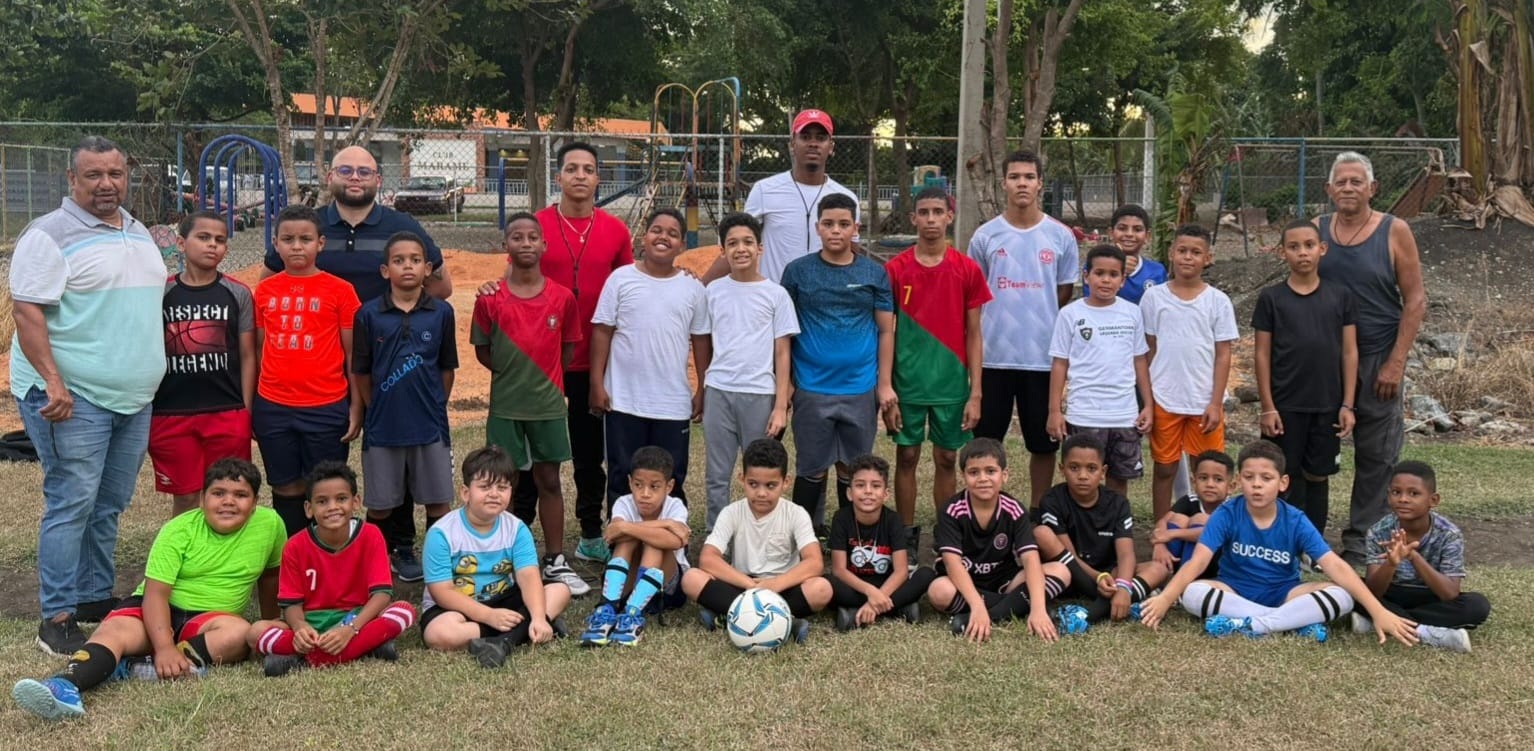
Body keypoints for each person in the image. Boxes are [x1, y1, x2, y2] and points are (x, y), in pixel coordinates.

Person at [264, 144, 454, 580]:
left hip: (390, 361)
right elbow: (271, 287)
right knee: (349, 459)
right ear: (329, 175)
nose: (355, 178)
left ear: (377, 180)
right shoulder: (309, 226)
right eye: (345, 170)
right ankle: (316, 550)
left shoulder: (402, 226)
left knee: (401, 446)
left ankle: (401, 547)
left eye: (364, 171)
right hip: (323, 367)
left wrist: (392, 316)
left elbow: (438, 285)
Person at [10, 136, 167, 654]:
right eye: (94, 175)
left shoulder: (137, 229)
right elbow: (28, 311)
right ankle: (56, 617)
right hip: (73, 398)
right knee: (71, 501)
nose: (107, 185)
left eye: (116, 174)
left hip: (132, 398)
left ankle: (94, 597)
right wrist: (53, 381)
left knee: (109, 504)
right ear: (71, 180)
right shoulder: (48, 235)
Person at [10, 458, 284, 721]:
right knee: (113, 632)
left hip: (208, 619)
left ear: (256, 502)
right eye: (218, 493)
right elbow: (156, 594)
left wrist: (270, 622)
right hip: (155, 608)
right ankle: (64, 686)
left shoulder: (270, 524)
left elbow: (271, 577)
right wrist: (164, 647)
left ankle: (132, 667)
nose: (228, 502)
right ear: (203, 499)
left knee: (239, 634)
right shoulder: (178, 530)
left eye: (240, 495)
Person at [475, 142, 632, 565]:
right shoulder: (538, 226)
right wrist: (492, 285)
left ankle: (591, 531)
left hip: (593, 359)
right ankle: (520, 528)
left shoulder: (616, 231)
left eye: (589, 169)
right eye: (571, 169)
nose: (580, 176)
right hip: (542, 365)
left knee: (585, 452)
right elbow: (515, 274)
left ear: (599, 178)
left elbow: (632, 283)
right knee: (528, 457)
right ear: (558, 177)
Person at [1138, 441, 1419, 646]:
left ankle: (1256, 625)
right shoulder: (1227, 512)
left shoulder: (1294, 519)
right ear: (1238, 481)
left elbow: (1334, 565)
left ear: (1282, 483)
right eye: (1249, 478)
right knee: (1193, 593)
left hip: (1285, 593)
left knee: (1341, 597)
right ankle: (1289, 624)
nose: (1257, 485)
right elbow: (1198, 562)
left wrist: (1377, 611)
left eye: (1266, 478)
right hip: (1235, 590)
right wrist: (1164, 598)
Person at [1316, 151, 1428, 567]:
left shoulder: (1394, 231)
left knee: (1377, 457)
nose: (1348, 188)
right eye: (1341, 182)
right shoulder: (1316, 231)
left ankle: (1363, 540)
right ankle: (1309, 539)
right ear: (1329, 190)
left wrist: (1396, 362)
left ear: (1372, 188)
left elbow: (1415, 301)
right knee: (1315, 453)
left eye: (1356, 181)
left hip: (1378, 357)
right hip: (1325, 362)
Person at [473, 212, 587, 596]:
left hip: (548, 406)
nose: (525, 243)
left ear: (544, 245)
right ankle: (500, 558)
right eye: (516, 237)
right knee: (502, 483)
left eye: (532, 237)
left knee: (550, 481)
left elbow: (568, 350)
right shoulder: (490, 298)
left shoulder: (561, 297)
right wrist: (512, 375)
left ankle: (555, 559)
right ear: (505, 246)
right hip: (505, 406)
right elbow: (484, 352)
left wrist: (544, 379)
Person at [883, 188, 991, 564]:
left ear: (950, 216)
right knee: (907, 456)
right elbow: (884, 331)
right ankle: (908, 538)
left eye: (937, 212)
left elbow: (975, 334)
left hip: (951, 385)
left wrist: (975, 392)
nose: (930, 219)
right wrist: (887, 387)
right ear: (912, 218)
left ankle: (947, 539)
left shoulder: (967, 269)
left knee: (947, 459)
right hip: (907, 384)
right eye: (923, 212)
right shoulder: (895, 270)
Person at [970, 150, 1079, 513]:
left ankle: (1038, 512)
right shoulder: (986, 236)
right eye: (1014, 176)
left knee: (1043, 444)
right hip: (994, 358)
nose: (1022, 183)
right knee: (986, 443)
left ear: (1040, 184)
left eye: (1029, 177)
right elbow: (975, 294)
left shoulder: (1060, 236)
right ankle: (987, 512)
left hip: (1042, 359)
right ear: (1003, 183)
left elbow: (1063, 294)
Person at [779, 193, 895, 533]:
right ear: (817, 227)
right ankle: (804, 537)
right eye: (828, 224)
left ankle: (852, 536)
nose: (836, 231)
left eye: (844, 224)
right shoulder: (797, 272)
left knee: (853, 468)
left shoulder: (874, 273)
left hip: (860, 388)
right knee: (812, 467)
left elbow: (887, 331)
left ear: (855, 228)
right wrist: (784, 384)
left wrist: (884, 383)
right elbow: (783, 333)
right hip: (812, 388)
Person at [351, 231, 459, 579]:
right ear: (386, 271)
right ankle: (376, 569)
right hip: (384, 426)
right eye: (399, 261)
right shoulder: (368, 315)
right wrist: (376, 406)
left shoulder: (441, 313)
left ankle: (438, 569)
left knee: (438, 501)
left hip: (429, 424)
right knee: (381, 504)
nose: (407, 266)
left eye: (415, 260)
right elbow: (363, 372)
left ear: (428, 268)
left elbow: (446, 369)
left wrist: (433, 405)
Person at [252, 205, 363, 537]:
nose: (296, 246)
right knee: (285, 486)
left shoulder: (340, 290)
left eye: (305, 239)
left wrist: (356, 406)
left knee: (326, 488)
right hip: (274, 406)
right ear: (275, 244)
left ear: (321, 243)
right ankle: (293, 557)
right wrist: (256, 407)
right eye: (287, 239)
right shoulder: (266, 291)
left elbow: (353, 354)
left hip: (326, 406)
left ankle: (328, 554)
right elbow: (258, 349)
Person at [589, 208, 711, 507]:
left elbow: (700, 341)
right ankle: (621, 545)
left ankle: (669, 546)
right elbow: (602, 332)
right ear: (644, 236)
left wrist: (702, 388)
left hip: (672, 404)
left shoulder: (693, 288)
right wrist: (596, 383)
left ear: (682, 245)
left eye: (672, 233)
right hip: (624, 400)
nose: (663, 237)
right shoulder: (621, 279)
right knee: (622, 474)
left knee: (671, 477)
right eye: (657, 230)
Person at [247, 462, 417, 676]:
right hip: (312, 624)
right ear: (309, 509)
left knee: (403, 611)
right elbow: (291, 604)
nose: (332, 507)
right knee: (255, 633)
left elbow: (382, 595)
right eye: (322, 501)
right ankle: (365, 647)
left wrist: (350, 629)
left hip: (357, 620)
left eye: (341, 499)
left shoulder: (371, 535)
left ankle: (310, 660)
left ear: (355, 502)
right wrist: (300, 628)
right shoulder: (295, 546)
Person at [419, 446, 572, 669]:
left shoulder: (517, 529)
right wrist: (489, 616)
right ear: (465, 492)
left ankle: (506, 641)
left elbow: (528, 577)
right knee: (439, 635)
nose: (494, 494)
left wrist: (538, 616)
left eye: (502, 487)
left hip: (504, 597)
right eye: (484, 487)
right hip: (454, 606)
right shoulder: (441, 533)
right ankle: (525, 629)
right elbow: (442, 591)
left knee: (560, 590)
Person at [1254, 220, 1357, 541]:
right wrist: (1268, 407)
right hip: (1285, 407)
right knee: (1284, 475)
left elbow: (1350, 353)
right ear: (1282, 252)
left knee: (1318, 475)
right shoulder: (1271, 299)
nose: (1302, 253)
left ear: (1322, 249)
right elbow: (1261, 355)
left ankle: (1314, 546)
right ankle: (1284, 543)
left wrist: (1347, 404)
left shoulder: (1341, 295)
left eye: (1309, 245)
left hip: (1327, 404)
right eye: (1294, 246)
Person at [149, 210, 255, 517]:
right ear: (181, 243)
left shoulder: (237, 293)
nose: (213, 245)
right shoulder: (162, 293)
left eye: (220, 240)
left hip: (226, 411)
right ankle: (185, 560)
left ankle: (230, 562)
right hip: (171, 412)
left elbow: (248, 355)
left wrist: (245, 408)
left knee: (229, 494)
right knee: (185, 497)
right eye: (203, 237)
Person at [701, 211, 798, 532]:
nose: (740, 249)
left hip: (760, 394)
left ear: (760, 248)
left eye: (747, 242)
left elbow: (783, 352)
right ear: (722, 250)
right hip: (719, 392)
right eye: (732, 243)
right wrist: (703, 390)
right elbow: (705, 344)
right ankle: (720, 539)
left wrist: (780, 406)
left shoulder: (775, 294)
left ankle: (761, 536)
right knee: (717, 475)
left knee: (761, 473)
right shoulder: (713, 292)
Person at [682, 438, 832, 644]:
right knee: (691, 578)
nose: (761, 493)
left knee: (821, 589)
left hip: (783, 587)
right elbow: (708, 559)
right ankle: (785, 622)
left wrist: (775, 584)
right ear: (741, 478)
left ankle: (731, 617)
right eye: (753, 484)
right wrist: (751, 586)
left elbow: (814, 562)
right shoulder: (731, 512)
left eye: (771, 485)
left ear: (786, 482)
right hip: (742, 586)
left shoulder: (796, 513)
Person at [1138, 224, 1237, 521]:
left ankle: (1210, 531)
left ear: (1208, 258)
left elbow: (1223, 354)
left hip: (1203, 400)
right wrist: (1148, 399)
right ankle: (1161, 530)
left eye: (1196, 252)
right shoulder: (1154, 298)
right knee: (1165, 468)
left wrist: (1216, 402)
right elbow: (1148, 349)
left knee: (1206, 470)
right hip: (1164, 397)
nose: (1187, 258)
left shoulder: (1217, 301)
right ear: (1171, 253)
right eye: (1182, 251)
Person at [925, 438, 1062, 643]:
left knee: (1061, 571)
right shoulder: (951, 511)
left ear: (1004, 475)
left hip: (1005, 583)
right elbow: (953, 565)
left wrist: (1039, 609)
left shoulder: (1014, 509)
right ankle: (1014, 606)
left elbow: (1031, 559)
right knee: (938, 591)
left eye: (990, 471)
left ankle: (994, 615)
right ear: (963, 476)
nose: (983, 478)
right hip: (965, 584)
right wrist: (977, 605)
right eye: (974, 472)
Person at [704, 108, 859, 284]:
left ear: (831, 147)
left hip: (821, 304)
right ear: (792, 144)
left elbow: (853, 255)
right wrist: (699, 287)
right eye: (805, 137)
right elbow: (741, 242)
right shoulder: (765, 190)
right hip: (774, 300)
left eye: (821, 138)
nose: (813, 143)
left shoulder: (846, 199)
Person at [1047, 244, 1153, 499]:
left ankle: (1115, 533)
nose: (1106, 280)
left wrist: (1148, 405)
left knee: (1119, 481)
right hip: (1084, 414)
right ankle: (1082, 533)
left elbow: (1140, 361)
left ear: (1122, 280)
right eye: (1099, 273)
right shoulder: (1070, 314)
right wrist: (1054, 411)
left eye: (1113, 274)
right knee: (1082, 481)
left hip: (1124, 415)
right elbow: (1060, 363)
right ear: (1086, 276)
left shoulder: (1132, 313)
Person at [1034, 434, 1168, 631]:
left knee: (1159, 570)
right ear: (1062, 470)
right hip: (1072, 572)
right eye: (1074, 468)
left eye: (1091, 468)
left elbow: (1125, 553)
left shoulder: (1117, 503)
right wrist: (1098, 577)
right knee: (1042, 533)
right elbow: (1067, 555)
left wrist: (1122, 586)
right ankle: (1109, 607)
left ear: (1103, 471)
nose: (1082, 475)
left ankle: (1092, 612)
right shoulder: (1052, 501)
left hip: (1109, 575)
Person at [1358, 461, 1491, 652]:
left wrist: (1414, 556)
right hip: (1392, 593)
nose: (1403, 499)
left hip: (1430, 597)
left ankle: (1383, 621)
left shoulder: (1449, 534)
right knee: (1350, 589)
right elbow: (1374, 591)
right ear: (1388, 496)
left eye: (1414, 493)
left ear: (1433, 500)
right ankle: (1423, 630)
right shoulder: (1379, 531)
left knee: (1477, 605)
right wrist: (1391, 563)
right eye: (1396, 492)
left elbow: (1450, 593)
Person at [580, 446, 691, 647]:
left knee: (654, 541)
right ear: (630, 482)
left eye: (654, 487)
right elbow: (613, 533)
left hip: (667, 589)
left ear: (669, 486)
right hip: (625, 586)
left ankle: (632, 616)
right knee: (629, 538)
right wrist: (665, 524)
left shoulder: (675, 506)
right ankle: (608, 610)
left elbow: (676, 541)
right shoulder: (624, 502)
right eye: (638, 485)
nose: (645, 493)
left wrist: (626, 527)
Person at [826, 454, 935, 631]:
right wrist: (871, 592)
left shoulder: (893, 520)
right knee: (826, 583)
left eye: (875, 486)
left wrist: (875, 600)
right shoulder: (841, 518)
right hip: (855, 586)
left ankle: (857, 613)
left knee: (926, 575)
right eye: (860, 485)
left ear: (885, 494)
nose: (868, 491)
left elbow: (900, 572)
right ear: (849, 493)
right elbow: (839, 570)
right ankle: (899, 609)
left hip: (888, 586)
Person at [1148, 450, 1234, 578]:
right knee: (1178, 519)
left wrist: (1170, 534)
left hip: (1217, 568)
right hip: (1184, 562)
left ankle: (1184, 585)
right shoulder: (1191, 500)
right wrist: (1159, 545)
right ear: (1194, 482)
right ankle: (1166, 577)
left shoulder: (1231, 508)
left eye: (1218, 479)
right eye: (1203, 478)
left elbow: (1212, 533)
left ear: (1231, 486)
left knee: (1201, 519)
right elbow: (1162, 522)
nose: (1210, 484)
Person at [1102, 204, 1165, 304]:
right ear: (1111, 233)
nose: (1129, 234)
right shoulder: (1095, 267)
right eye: (1122, 228)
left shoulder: (1157, 271)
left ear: (1147, 236)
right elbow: (1094, 305)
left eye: (1137, 229)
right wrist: (1117, 270)